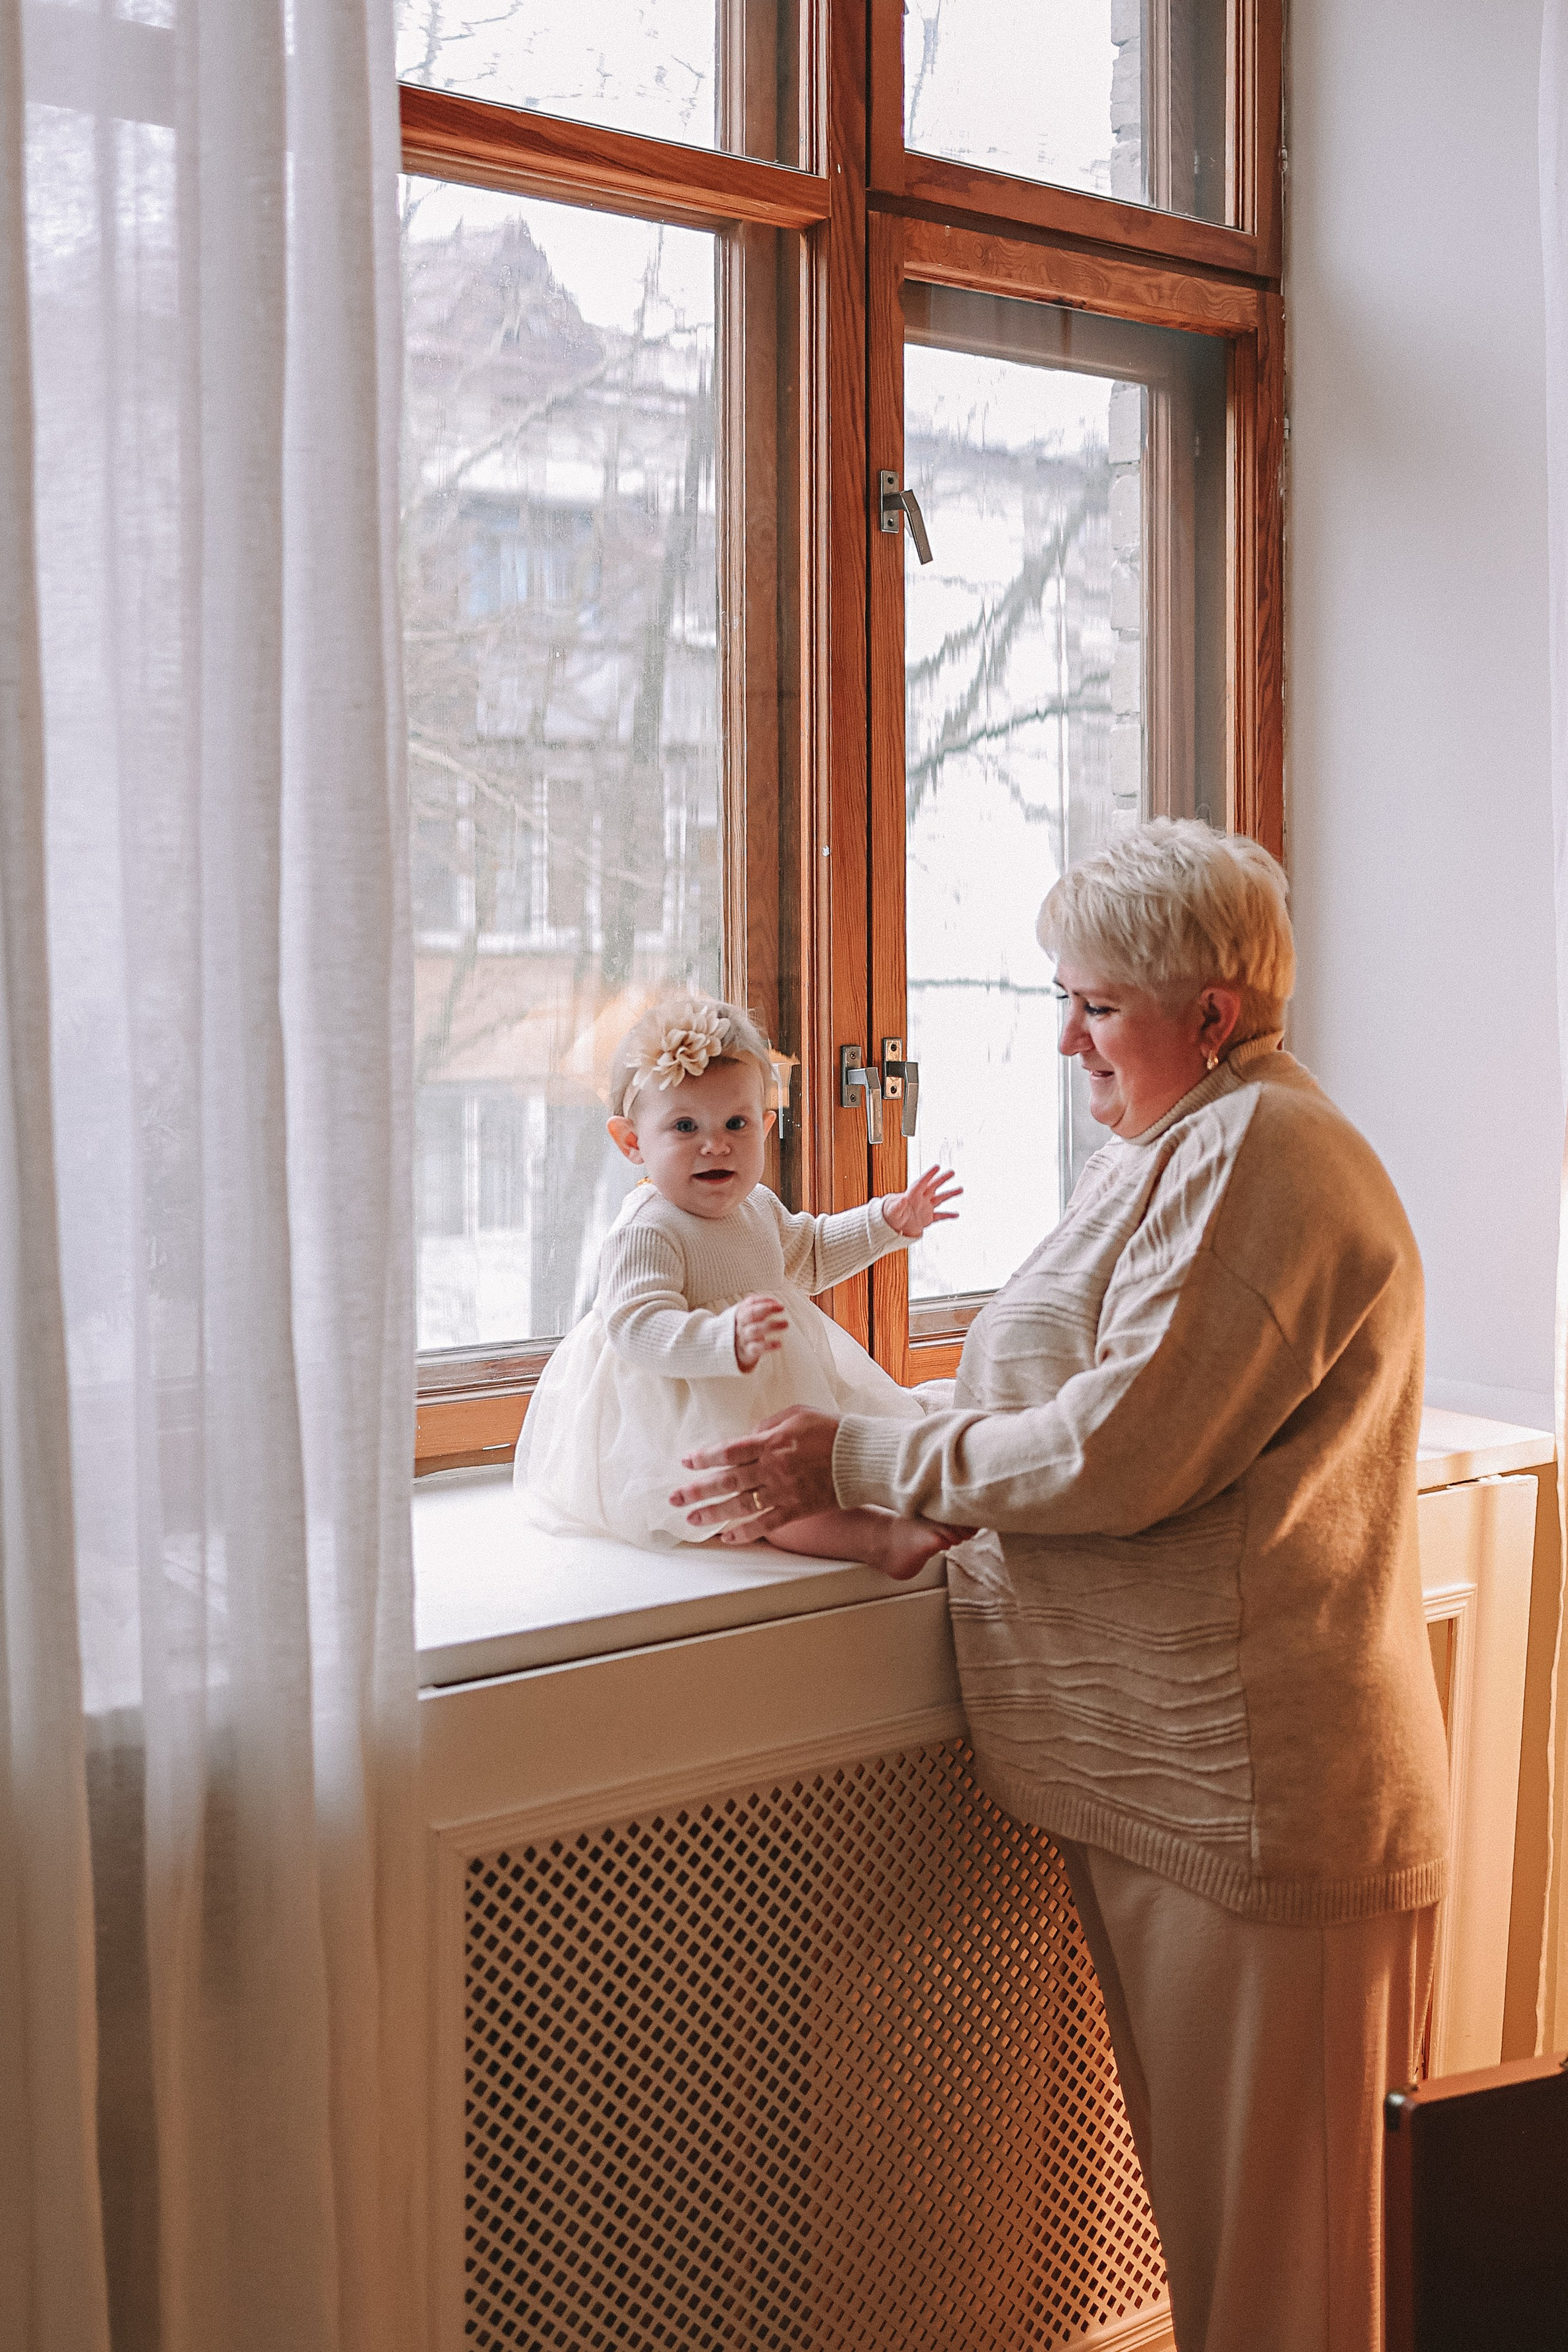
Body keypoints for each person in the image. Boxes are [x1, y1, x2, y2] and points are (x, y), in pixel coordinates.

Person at [669, 821, 1450, 2352]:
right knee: (1238, 2275)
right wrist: (906, 1502)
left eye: (1094, 1002)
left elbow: (1115, 1448)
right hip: (1175, 1788)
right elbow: (1099, 1419)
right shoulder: (1170, 1150)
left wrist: (863, 1467)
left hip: (1255, 1797)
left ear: (1208, 1011)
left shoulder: (1260, 1155)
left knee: (1284, 2296)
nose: (1064, 1035)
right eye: (1061, 996)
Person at [517, 991, 968, 1575]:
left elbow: (808, 1255)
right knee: (761, 1495)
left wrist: (887, 1222)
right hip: (693, 1409)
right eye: (685, 1126)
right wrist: (721, 1338)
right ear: (632, 1142)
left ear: (767, 1126)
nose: (716, 1144)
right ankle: (878, 1540)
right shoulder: (649, 1229)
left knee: (840, 1447)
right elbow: (635, 1325)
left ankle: (905, 1491)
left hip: (771, 1391)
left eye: (737, 1123)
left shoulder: (755, 1206)